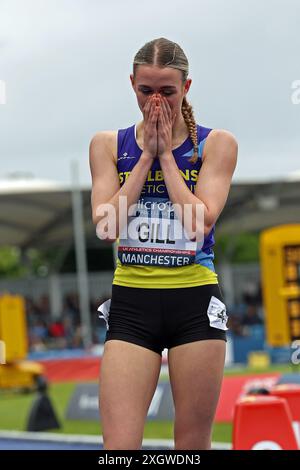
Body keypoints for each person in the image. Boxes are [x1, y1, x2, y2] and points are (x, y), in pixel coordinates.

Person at [89, 37, 238, 450]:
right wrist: (143, 159)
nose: (156, 100)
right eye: (146, 90)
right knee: (118, 450)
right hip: (133, 304)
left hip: (194, 302)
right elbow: (106, 226)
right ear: (132, 84)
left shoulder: (216, 144)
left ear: (186, 88)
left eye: (168, 92)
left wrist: (168, 159)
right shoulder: (107, 145)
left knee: (191, 447)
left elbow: (198, 223)